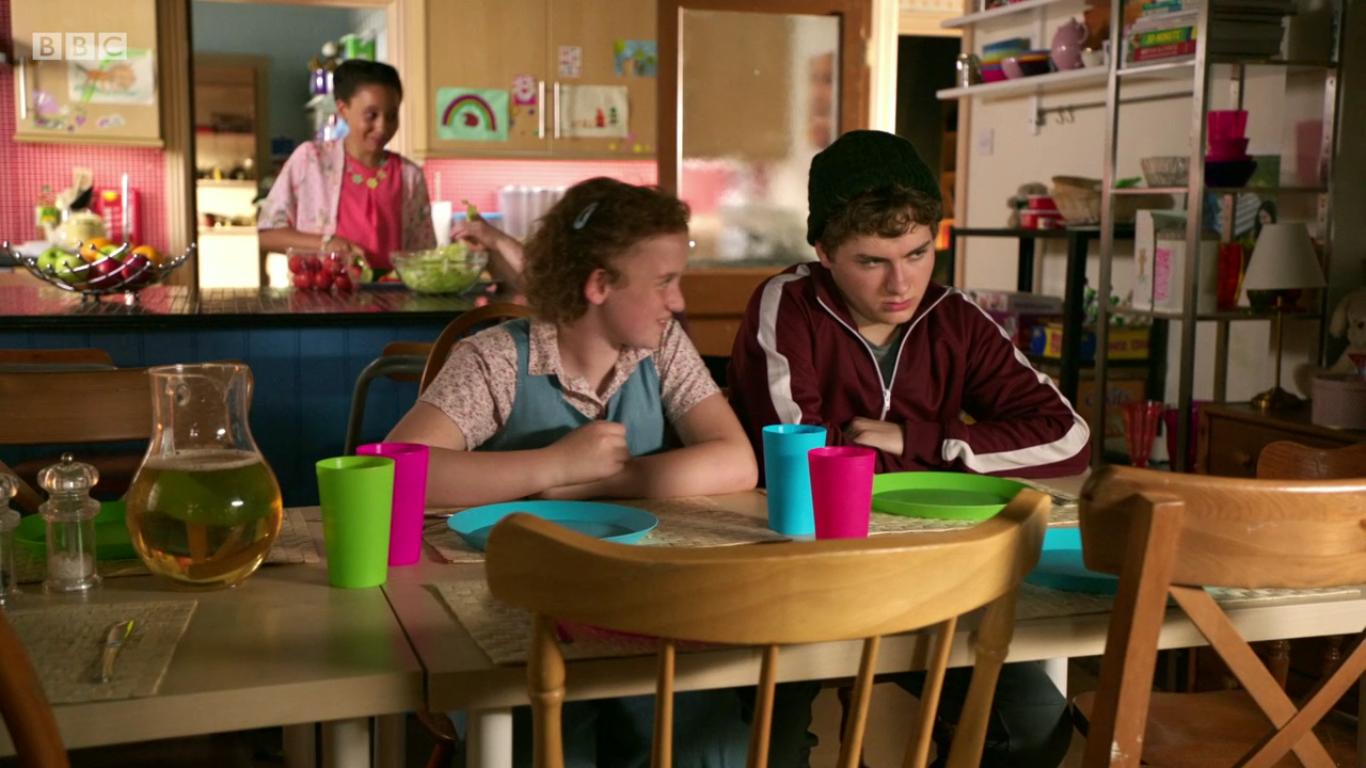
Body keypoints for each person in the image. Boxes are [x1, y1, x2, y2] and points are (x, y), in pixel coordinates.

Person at [727, 130, 1088, 767]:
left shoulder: (954, 317)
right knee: (766, 751)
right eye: (872, 261)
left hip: (930, 583)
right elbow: (805, 463)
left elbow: (1066, 437)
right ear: (824, 252)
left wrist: (925, 441)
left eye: (918, 253)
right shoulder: (787, 304)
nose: (902, 283)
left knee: (1032, 724)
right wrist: (938, 457)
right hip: (794, 583)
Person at [387, 177, 756, 766]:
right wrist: (552, 463)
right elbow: (401, 472)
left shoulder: (660, 351)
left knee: (703, 738)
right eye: (664, 282)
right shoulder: (499, 358)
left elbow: (736, 460)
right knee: (547, 739)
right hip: (513, 613)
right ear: (599, 285)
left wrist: (604, 480)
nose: (679, 302)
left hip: (640, 609)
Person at [258, 60, 435, 273]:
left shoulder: (410, 176)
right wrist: (326, 244)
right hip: (322, 292)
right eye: (371, 115)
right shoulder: (311, 160)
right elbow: (266, 235)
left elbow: (424, 254)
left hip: (392, 292)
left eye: (391, 116)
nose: (382, 127)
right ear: (343, 110)